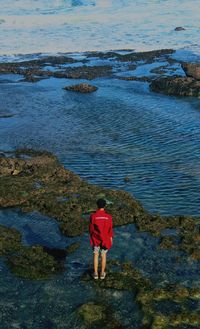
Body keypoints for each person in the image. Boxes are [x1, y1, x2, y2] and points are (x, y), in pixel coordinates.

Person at [89, 198, 114, 280]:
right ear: (105, 206)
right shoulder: (109, 217)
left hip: (96, 239)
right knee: (103, 255)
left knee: (95, 255)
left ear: (97, 205)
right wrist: (111, 238)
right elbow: (110, 229)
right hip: (105, 239)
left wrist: (92, 237)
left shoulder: (93, 216)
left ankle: (96, 273)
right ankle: (102, 273)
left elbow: (91, 229)